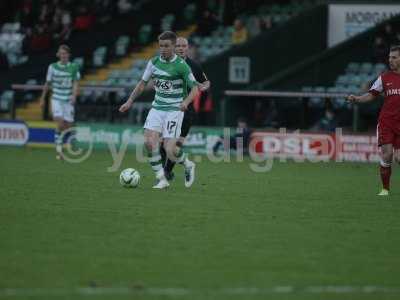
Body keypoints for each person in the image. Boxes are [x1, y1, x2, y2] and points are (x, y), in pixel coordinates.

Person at [119, 31, 199, 189]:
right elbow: (142, 83)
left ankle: (188, 164)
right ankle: (162, 179)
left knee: (169, 150)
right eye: (161, 46)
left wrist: (186, 102)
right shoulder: (154, 62)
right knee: (149, 143)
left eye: (166, 46)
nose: (163, 49)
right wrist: (129, 101)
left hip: (174, 110)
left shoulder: (182, 66)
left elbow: (195, 89)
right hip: (157, 108)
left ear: (173, 47)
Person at [347, 45, 400, 196]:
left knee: (399, 158)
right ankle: (385, 189)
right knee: (388, 154)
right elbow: (371, 94)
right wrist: (357, 98)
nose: (391, 60)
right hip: (387, 122)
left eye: (394, 57)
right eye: (390, 57)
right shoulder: (384, 77)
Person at [160, 36, 210, 181]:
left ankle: (166, 173)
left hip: (186, 111)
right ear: (174, 47)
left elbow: (206, 82)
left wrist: (203, 87)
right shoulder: (167, 63)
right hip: (169, 110)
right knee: (164, 145)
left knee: (174, 144)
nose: (181, 48)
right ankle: (168, 172)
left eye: (184, 46)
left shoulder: (195, 66)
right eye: (178, 46)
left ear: (187, 48)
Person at [39, 44, 80, 160]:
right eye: (61, 53)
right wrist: (42, 98)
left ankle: (70, 142)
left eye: (65, 53)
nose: (63, 55)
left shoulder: (74, 67)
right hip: (56, 98)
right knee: (60, 123)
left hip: (68, 100)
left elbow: (76, 82)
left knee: (69, 126)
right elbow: (47, 83)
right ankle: (59, 150)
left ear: (68, 55)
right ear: (58, 55)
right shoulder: (52, 67)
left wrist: (74, 95)